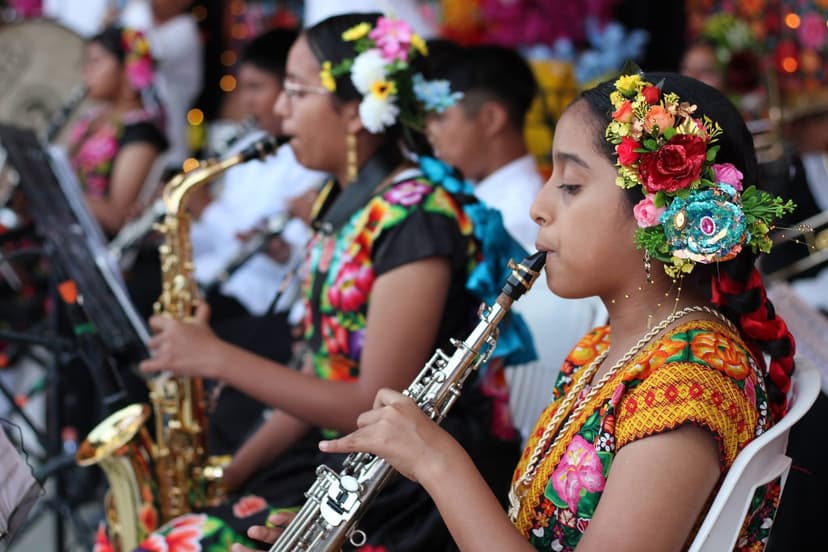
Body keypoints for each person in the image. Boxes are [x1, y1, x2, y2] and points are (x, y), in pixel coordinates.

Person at [293, 72, 799, 551]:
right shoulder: (605, 348)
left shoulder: (690, 385)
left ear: (659, 213)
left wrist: (437, 461)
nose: (538, 205)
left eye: (571, 186)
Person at [122, 13, 531, 551]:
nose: (279, 108)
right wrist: (233, 472)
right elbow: (318, 370)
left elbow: (372, 401)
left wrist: (216, 357)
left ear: (357, 110)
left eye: (296, 91)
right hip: (340, 462)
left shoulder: (417, 218)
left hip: (401, 492)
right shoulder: (340, 202)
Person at [425, 41, 606, 428]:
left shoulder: (517, 216)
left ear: (490, 117)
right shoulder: (477, 199)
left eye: (440, 117)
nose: (429, 132)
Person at [188, 28, 326, 454]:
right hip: (227, 284)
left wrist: (207, 208)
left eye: (257, 87)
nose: (250, 101)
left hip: (266, 305)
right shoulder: (252, 145)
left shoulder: (310, 156)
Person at [66, 25, 167, 235]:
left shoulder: (141, 134)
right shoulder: (93, 117)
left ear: (128, 69)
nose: (86, 70)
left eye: (96, 61)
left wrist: (57, 188)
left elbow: (117, 218)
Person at [120, 0, 203, 169]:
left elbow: (142, 50)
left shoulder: (186, 28)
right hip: (138, 136)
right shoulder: (146, 18)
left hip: (169, 145)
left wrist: (139, 5)